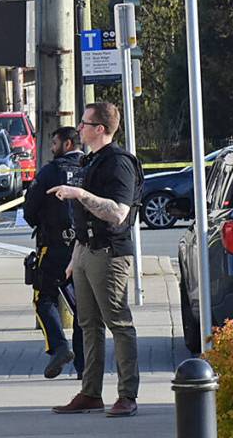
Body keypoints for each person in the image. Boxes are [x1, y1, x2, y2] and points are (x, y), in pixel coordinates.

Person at [48, 102, 143, 418]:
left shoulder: (119, 163)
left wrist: (79, 195)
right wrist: (75, 257)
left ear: (100, 128)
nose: (79, 129)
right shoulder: (92, 161)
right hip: (88, 250)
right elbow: (84, 220)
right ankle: (90, 392)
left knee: (118, 322)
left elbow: (118, 212)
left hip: (109, 252)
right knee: (88, 324)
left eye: (85, 123)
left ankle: (127, 394)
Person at [22, 126, 85, 380]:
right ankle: (85, 368)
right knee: (84, 310)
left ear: (68, 144)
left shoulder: (50, 172)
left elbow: (29, 210)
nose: (51, 148)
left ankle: (59, 347)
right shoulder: (89, 168)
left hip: (54, 247)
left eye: (55, 143)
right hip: (84, 248)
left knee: (43, 298)